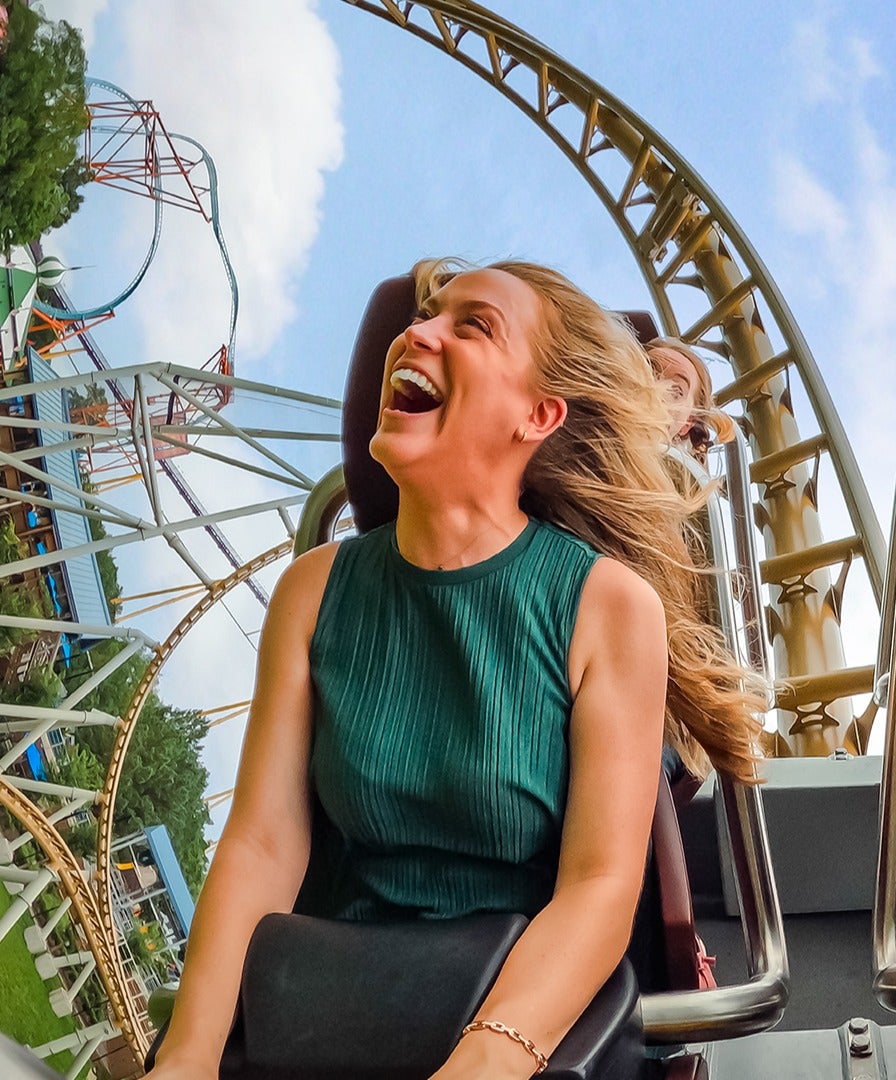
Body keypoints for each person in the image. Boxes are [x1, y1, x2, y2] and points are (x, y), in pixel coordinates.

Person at [146, 258, 764, 1080]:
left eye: (472, 325)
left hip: (513, 1020)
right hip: (319, 1006)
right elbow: (262, 844)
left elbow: (599, 890)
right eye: (426, 315)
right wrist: (185, 1061)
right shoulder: (314, 589)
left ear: (539, 414)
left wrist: (484, 1062)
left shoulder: (608, 608)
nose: (419, 332)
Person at [646, 336, 737, 461]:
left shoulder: (678, 478)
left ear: (687, 424)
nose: (653, 387)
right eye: (648, 373)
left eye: (675, 391)